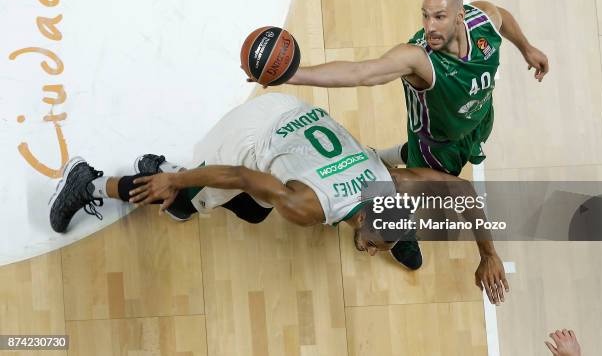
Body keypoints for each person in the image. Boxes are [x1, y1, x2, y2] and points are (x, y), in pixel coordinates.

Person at [48, 93, 509, 304]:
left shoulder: (390, 181)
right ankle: (93, 181)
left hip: (295, 110)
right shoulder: (310, 209)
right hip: (249, 137)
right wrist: (183, 180)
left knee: (252, 213)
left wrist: (488, 254)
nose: (369, 250)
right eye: (375, 244)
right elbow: (241, 173)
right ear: (365, 234)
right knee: (183, 204)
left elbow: (463, 190)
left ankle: (168, 176)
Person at [279, 0, 550, 271]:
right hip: (436, 146)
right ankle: (402, 233)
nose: (430, 26)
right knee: (414, 194)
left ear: (460, 16)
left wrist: (526, 47)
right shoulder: (418, 59)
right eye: (425, 15)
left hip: (479, 120)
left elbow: (502, 16)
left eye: (439, 17)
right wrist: (290, 74)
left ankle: (378, 156)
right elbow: (361, 73)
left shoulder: (482, 21)